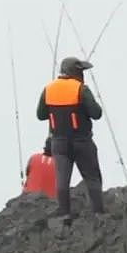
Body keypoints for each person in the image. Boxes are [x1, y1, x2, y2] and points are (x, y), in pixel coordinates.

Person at [36, 56, 106, 224]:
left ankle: (64, 213)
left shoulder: (48, 89)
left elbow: (41, 115)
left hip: (59, 142)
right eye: (81, 71)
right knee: (92, 176)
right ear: (75, 72)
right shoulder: (81, 89)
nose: (83, 75)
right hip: (81, 141)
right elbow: (96, 113)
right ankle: (98, 212)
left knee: (62, 178)